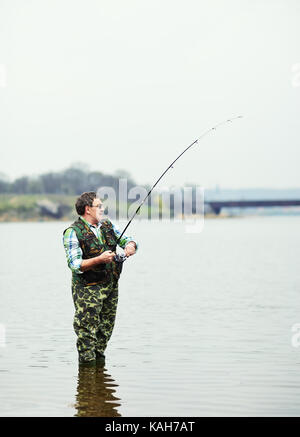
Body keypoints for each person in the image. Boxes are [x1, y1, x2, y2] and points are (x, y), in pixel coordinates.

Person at [63, 191, 137, 365]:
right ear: (88, 209)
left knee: (105, 329)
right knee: (87, 332)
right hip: (87, 289)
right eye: (99, 206)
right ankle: (87, 370)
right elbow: (75, 264)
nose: (103, 209)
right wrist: (99, 259)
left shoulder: (107, 225)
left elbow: (127, 240)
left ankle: (98, 377)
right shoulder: (72, 232)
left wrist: (130, 246)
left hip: (110, 286)